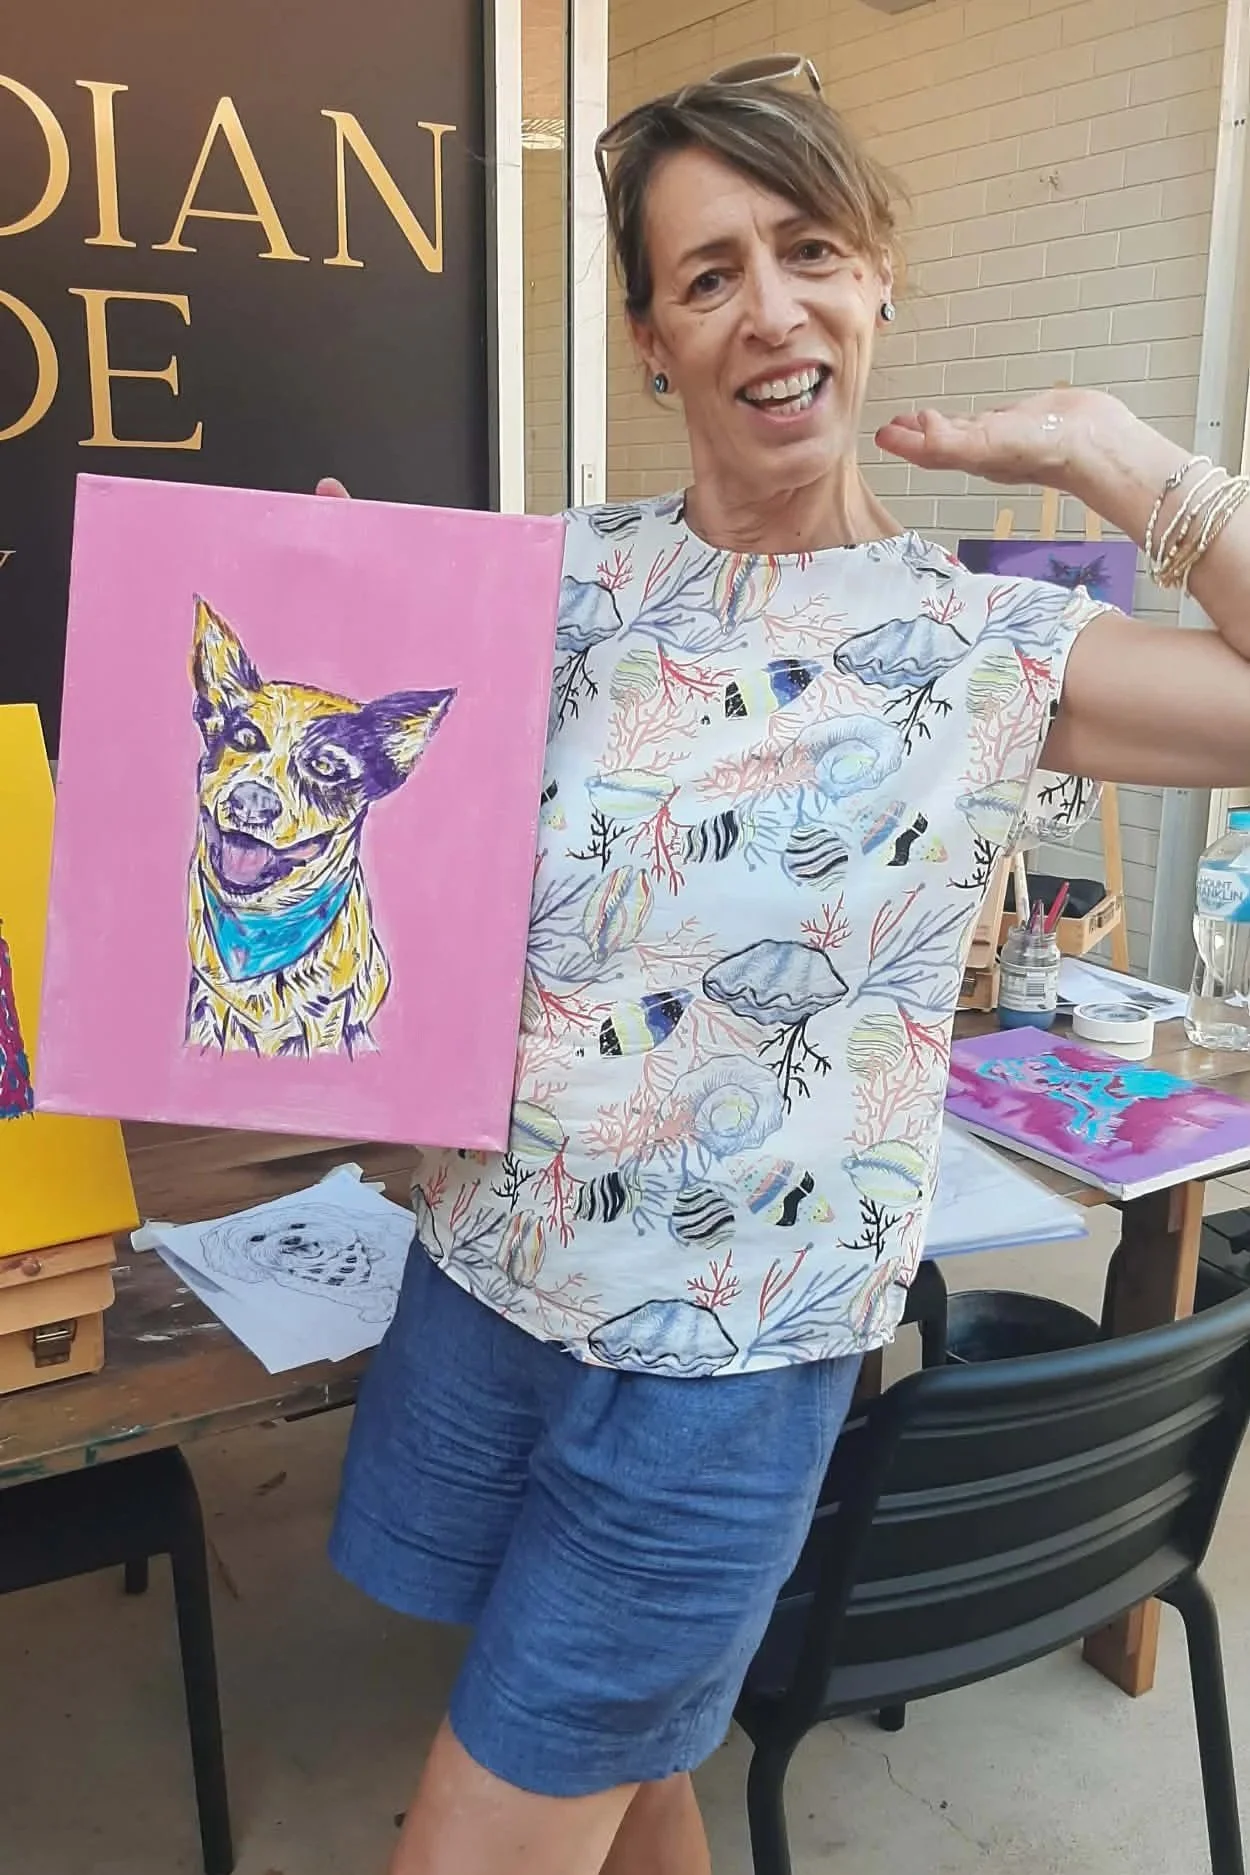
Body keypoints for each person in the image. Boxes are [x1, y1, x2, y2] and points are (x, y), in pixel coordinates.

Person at [322, 57, 1250, 1875]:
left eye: (807, 247)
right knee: (631, 1771)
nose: (768, 309)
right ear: (649, 339)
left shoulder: (981, 640)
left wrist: (1111, 452)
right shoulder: (555, 582)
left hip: (723, 1359)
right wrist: (315, 593)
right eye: (706, 274)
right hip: (486, 1282)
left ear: (876, 274)